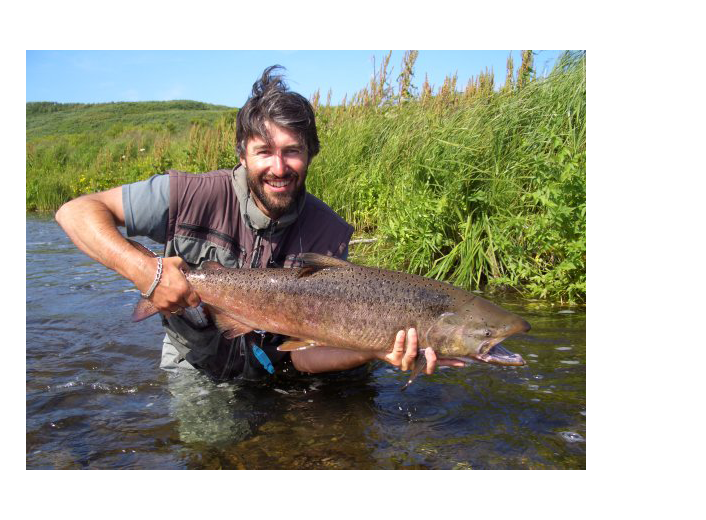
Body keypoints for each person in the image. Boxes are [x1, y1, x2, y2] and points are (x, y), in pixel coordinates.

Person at [55, 65, 464, 382]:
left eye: (292, 151)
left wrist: (375, 348)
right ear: (242, 154)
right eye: (264, 151)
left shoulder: (329, 233)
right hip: (196, 362)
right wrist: (147, 271)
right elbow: (75, 211)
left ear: (311, 154)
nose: (279, 167)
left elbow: (303, 356)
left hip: (279, 368)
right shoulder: (188, 195)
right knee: (214, 439)